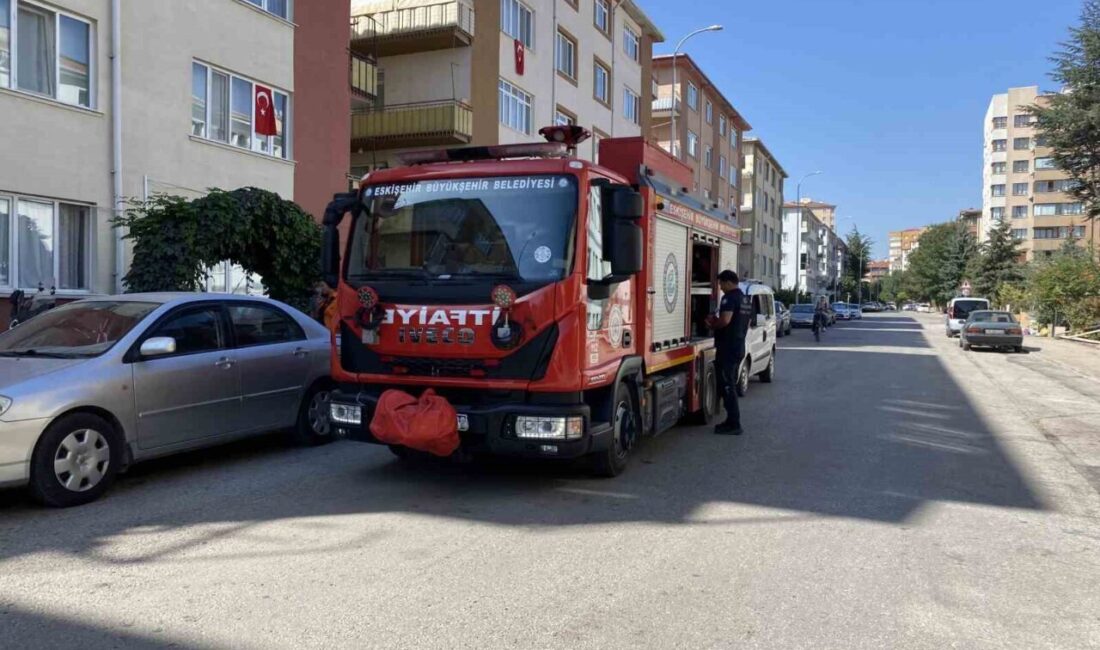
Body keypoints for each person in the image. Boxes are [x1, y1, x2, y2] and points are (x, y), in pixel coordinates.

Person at [705, 270, 752, 435]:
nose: (720, 287)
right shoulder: (745, 299)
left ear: (728, 282)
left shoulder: (729, 298)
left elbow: (725, 320)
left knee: (727, 385)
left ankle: (734, 424)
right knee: (729, 383)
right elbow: (747, 322)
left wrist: (712, 325)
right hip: (738, 346)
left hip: (728, 348)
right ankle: (731, 421)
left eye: (721, 284)